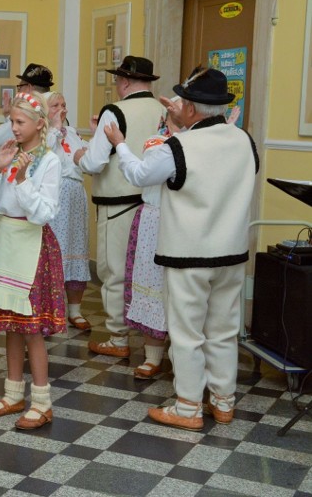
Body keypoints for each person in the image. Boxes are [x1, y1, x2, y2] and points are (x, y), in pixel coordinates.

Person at [104, 67, 258, 430]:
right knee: (223, 329)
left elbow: (140, 174)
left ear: (189, 108)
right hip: (232, 253)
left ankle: (188, 406)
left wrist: (120, 144)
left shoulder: (179, 146)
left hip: (188, 255)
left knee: (187, 332)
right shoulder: (243, 140)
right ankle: (223, 401)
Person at [0, 93, 66, 430]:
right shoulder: (9, 152)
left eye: (19, 122)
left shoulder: (49, 162)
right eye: (11, 121)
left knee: (32, 329)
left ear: (39, 123)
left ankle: (42, 402)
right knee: (10, 325)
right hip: (7, 243)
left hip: (32, 246)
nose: (13, 128)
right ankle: (13, 394)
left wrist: (24, 180)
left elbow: (44, 212)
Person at [73, 55, 164, 358]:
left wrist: (79, 156)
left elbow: (95, 162)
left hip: (119, 203)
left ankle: (118, 338)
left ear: (124, 81)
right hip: (155, 204)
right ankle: (153, 340)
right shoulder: (163, 109)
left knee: (114, 271)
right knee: (151, 274)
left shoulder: (115, 111)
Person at [115, 117, 175, 379]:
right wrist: (120, 146)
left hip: (182, 221)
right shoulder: (158, 143)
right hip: (154, 220)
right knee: (151, 284)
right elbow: (145, 173)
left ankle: (183, 357)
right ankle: (153, 356)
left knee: (178, 289)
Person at [44, 91, 92, 330]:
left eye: (64, 104)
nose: (61, 109)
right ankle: (53, 309)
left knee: (77, 248)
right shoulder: (43, 133)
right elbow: (43, 156)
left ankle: (75, 309)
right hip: (56, 195)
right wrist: (53, 127)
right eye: (55, 105)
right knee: (56, 250)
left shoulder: (72, 133)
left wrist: (96, 138)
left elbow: (86, 159)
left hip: (75, 196)